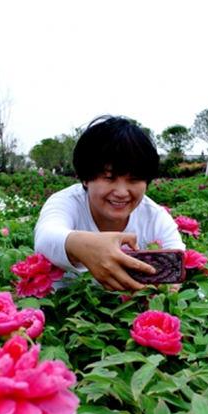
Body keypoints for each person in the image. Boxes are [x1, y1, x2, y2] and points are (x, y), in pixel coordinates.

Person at [34, 115, 185, 292]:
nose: (121, 192)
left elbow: (177, 261)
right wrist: (86, 246)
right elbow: (45, 237)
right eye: (109, 178)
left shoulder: (155, 217)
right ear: (85, 179)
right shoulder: (66, 202)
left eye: (134, 179)